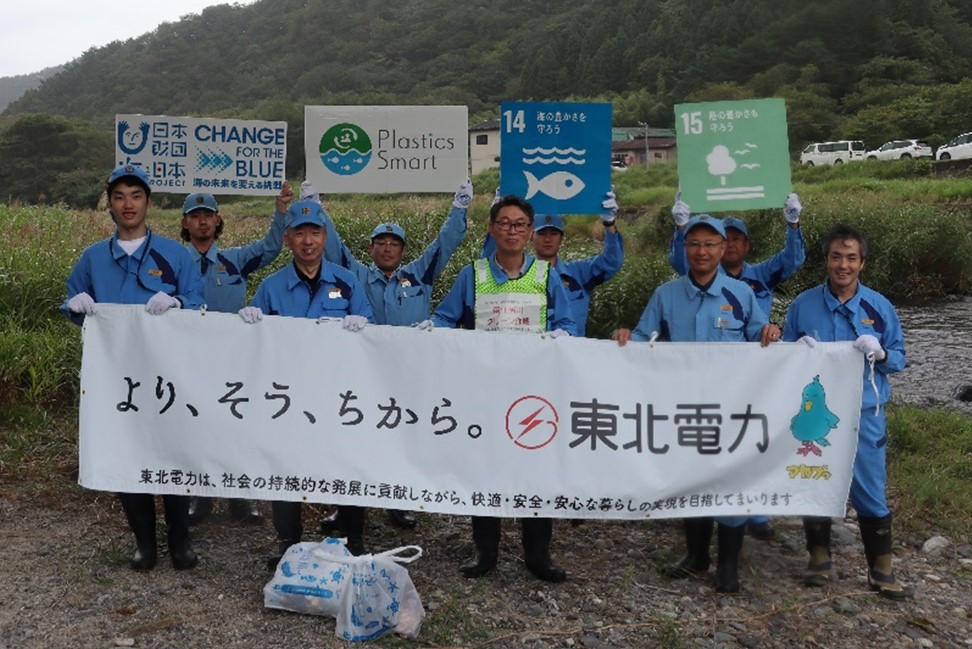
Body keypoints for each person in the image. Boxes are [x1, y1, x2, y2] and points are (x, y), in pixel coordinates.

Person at [612, 215, 781, 593]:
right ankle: (696, 557)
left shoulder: (742, 295)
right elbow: (644, 336)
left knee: (733, 480)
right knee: (691, 480)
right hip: (683, 407)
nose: (702, 252)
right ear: (683, 249)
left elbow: (758, 334)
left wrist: (770, 331)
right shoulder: (665, 294)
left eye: (710, 245)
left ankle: (728, 567)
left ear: (723, 250)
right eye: (694, 244)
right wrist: (627, 336)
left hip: (732, 407)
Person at [424, 194, 577, 583]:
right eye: (504, 223)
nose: (512, 230)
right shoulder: (472, 274)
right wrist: (432, 329)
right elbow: (446, 316)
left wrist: (563, 335)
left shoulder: (546, 275)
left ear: (529, 231)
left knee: (536, 469)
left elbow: (569, 324)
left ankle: (538, 554)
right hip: (485, 388)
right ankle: (485, 551)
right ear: (491, 229)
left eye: (520, 224)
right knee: (486, 468)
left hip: (534, 392)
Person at [302, 178, 471, 529]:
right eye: (382, 242)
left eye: (395, 243)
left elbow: (446, 243)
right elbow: (334, 247)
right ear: (372, 246)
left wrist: (460, 207)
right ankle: (345, 506)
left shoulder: (420, 275)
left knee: (403, 438)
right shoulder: (357, 275)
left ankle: (399, 502)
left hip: (408, 373)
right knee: (353, 437)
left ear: (403, 250)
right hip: (362, 373)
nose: (388, 248)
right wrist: (315, 205)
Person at [62, 163, 205, 571]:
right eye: (120, 196)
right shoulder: (93, 258)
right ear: (110, 202)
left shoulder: (175, 255)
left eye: (136, 196)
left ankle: (180, 536)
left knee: (174, 452)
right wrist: (74, 306)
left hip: (169, 374)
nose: (128, 204)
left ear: (148, 202)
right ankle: (144, 542)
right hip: (116, 378)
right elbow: (73, 299)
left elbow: (197, 302)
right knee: (129, 454)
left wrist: (178, 303)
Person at [235, 198, 374, 567]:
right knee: (286, 468)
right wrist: (247, 322)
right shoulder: (271, 287)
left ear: (324, 237)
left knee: (347, 464)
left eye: (315, 232)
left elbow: (371, 329)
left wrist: (363, 325)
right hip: (290, 396)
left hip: (339, 394)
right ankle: (287, 544)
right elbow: (255, 344)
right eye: (300, 233)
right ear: (288, 239)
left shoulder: (346, 283)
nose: (308, 241)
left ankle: (352, 540)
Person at [782, 224, 911, 600]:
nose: (843, 265)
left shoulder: (879, 307)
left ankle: (881, 570)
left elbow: (900, 358)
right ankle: (819, 560)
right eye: (836, 256)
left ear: (862, 262)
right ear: (825, 260)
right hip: (815, 418)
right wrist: (794, 352)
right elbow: (781, 362)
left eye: (851, 257)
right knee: (815, 481)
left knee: (871, 490)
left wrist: (882, 353)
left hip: (865, 415)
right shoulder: (803, 305)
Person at [668, 191, 805, 541]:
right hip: (707, 378)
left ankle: (754, 512)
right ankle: (702, 508)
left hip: (754, 377)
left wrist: (793, 224)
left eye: (736, 239)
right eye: (723, 239)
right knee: (704, 438)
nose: (729, 245)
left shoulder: (761, 276)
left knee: (749, 440)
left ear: (746, 245)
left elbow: (792, 260)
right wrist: (680, 227)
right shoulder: (697, 272)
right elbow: (679, 258)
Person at [180, 186, 293, 525]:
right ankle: (198, 496)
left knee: (237, 423)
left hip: (232, 359)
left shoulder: (235, 261)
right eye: (195, 216)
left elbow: (271, 247)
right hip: (187, 359)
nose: (202, 222)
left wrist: (281, 211)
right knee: (193, 424)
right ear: (185, 223)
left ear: (218, 221)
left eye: (208, 216)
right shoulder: (172, 260)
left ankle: (242, 497)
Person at [482, 189, 623, 336]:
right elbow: (487, 265)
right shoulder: (516, 273)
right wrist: (498, 220)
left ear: (561, 238)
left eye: (554, 233)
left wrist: (609, 224)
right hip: (529, 352)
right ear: (531, 235)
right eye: (542, 233)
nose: (548, 239)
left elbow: (611, 263)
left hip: (571, 353)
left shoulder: (579, 273)